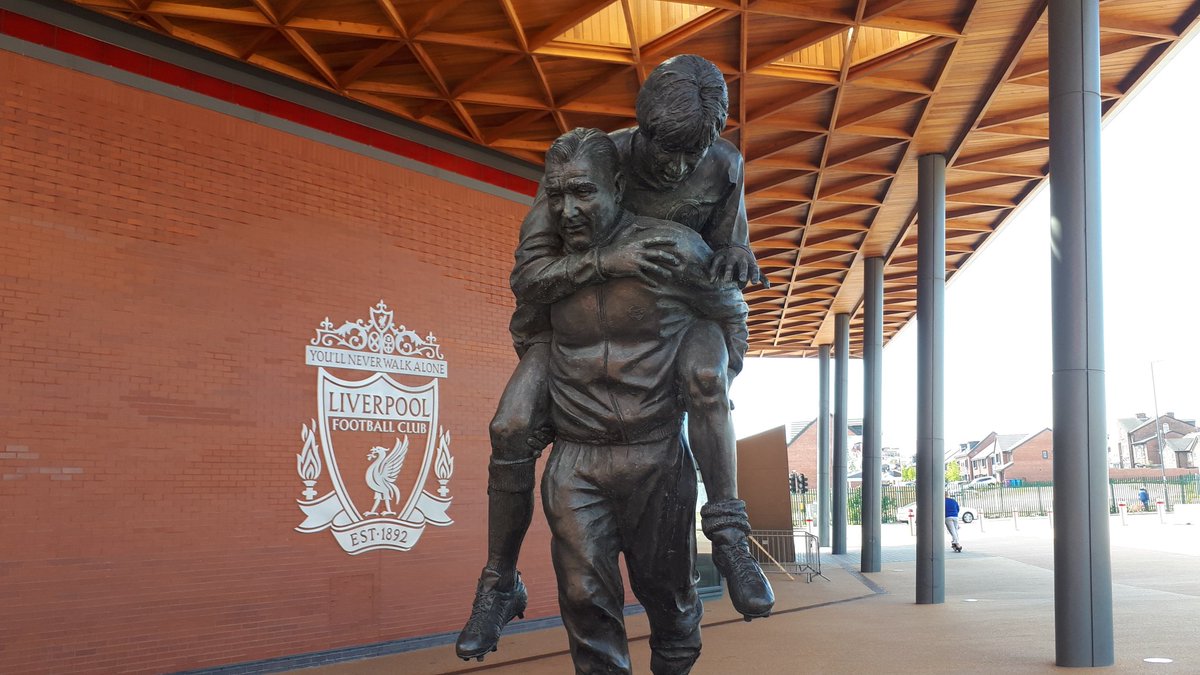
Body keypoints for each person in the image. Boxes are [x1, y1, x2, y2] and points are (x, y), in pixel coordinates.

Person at [457, 56, 772, 661]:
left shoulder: (718, 172)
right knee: (511, 425)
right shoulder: (589, 166)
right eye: (664, 155)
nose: (677, 170)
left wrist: (720, 328)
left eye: (690, 158)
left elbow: (729, 283)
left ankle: (729, 529)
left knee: (706, 378)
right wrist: (606, 266)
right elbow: (527, 278)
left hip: (678, 339)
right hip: (563, 349)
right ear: (636, 144)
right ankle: (499, 579)